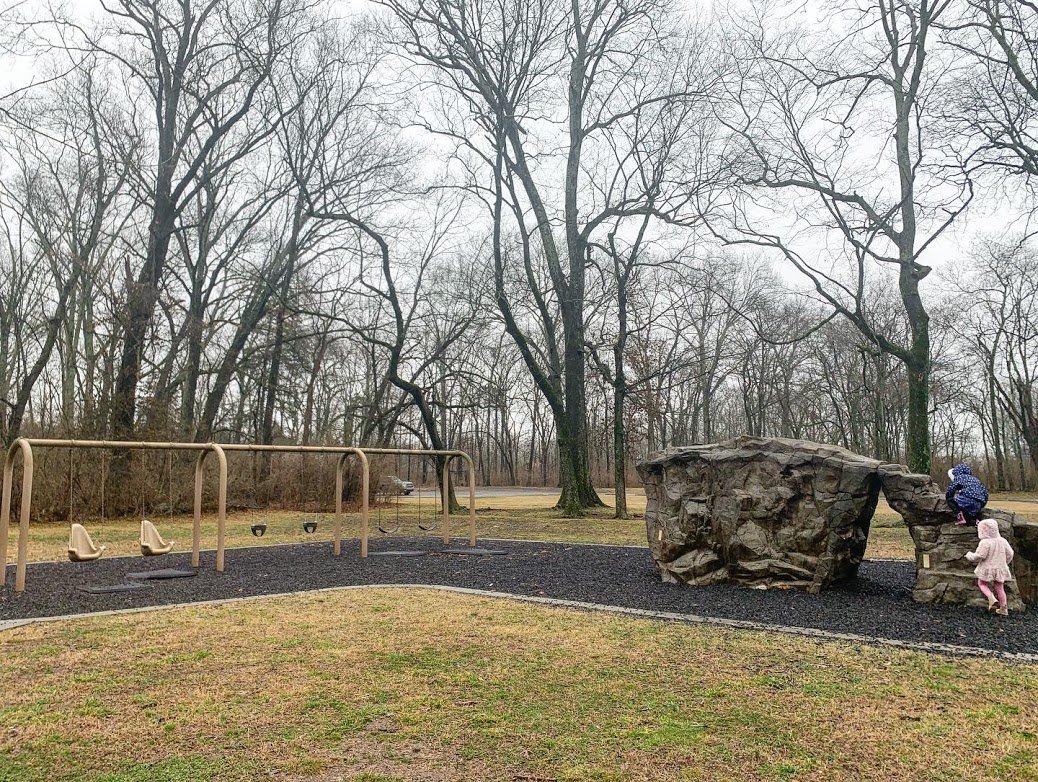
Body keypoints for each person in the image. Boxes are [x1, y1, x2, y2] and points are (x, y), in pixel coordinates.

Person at [965, 518, 1015, 616]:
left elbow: (980, 556)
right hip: (1000, 567)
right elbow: (1010, 553)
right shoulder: (1003, 541)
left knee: (982, 583)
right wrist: (1004, 563)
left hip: (987, 568)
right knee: (1000, 587)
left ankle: (992, 599)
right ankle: (1004, 608)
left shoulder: (985, 542)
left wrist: (969, 555)